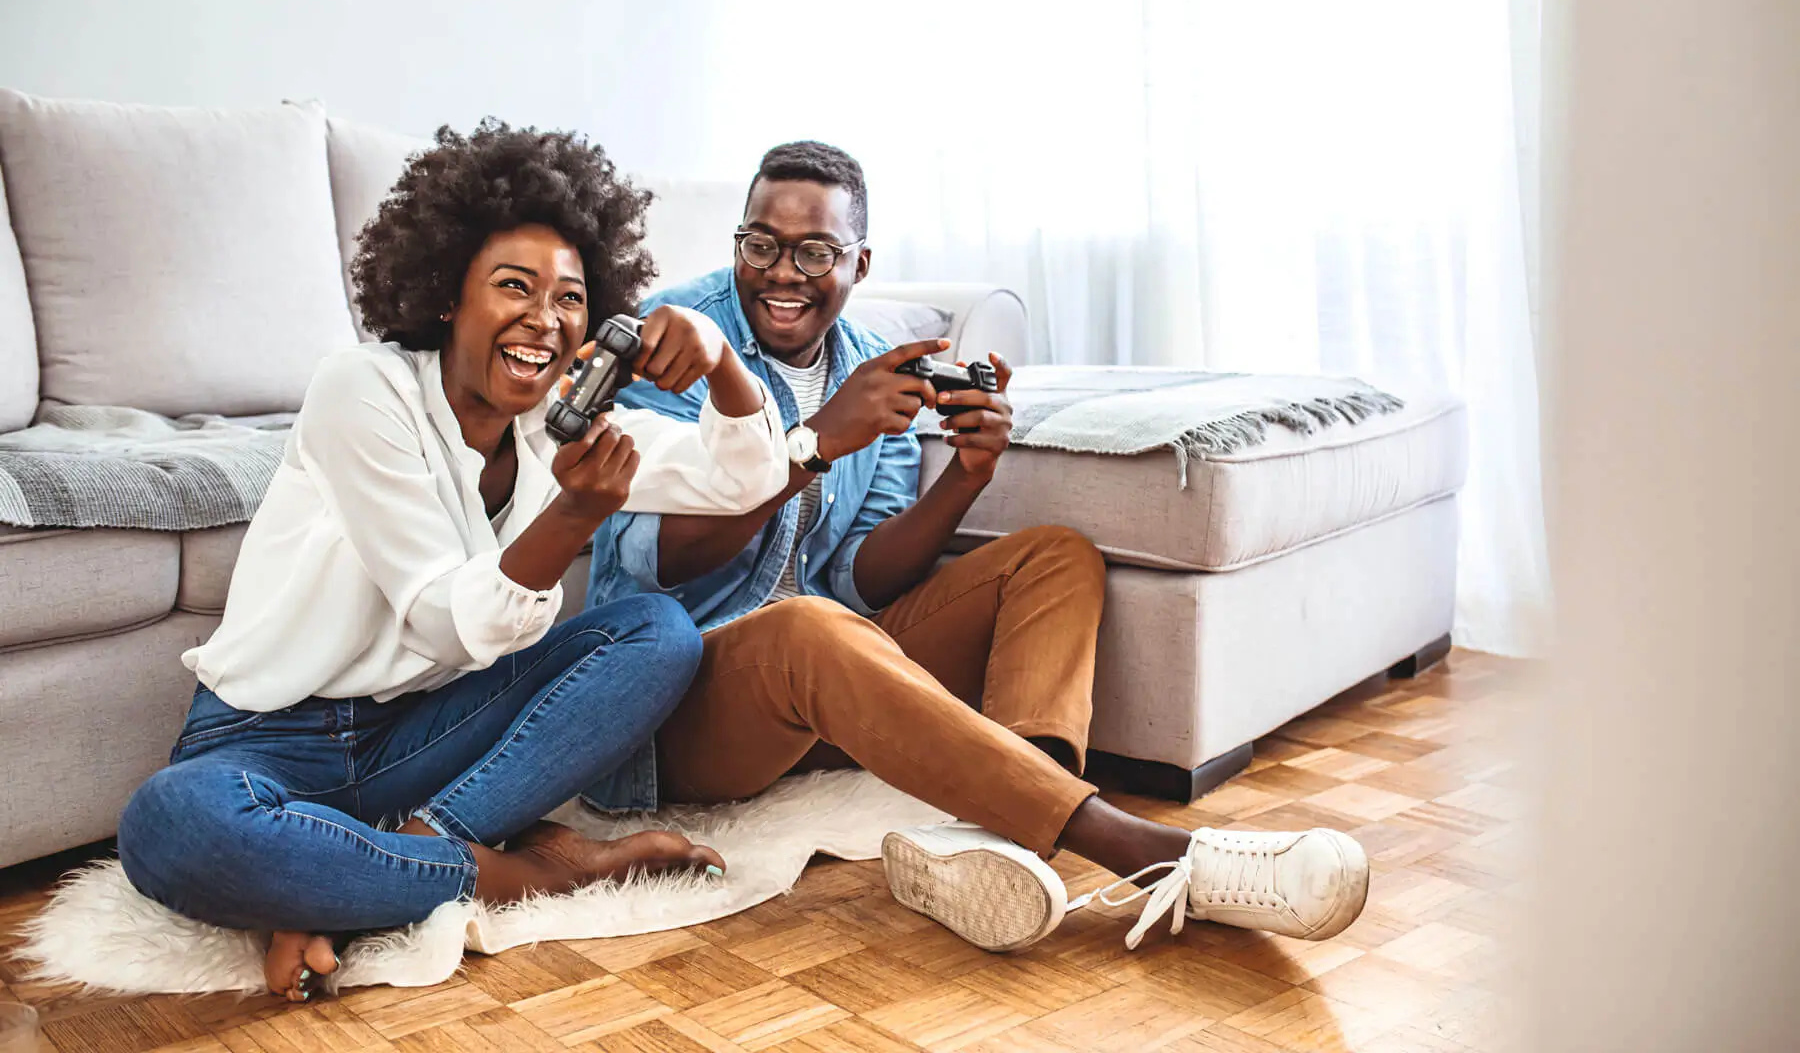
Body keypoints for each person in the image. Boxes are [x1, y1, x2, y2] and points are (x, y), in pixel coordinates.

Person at [586, 141, 1371, 953]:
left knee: (1055, 555)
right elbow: (656, 558)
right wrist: (815, 444)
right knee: (805, 629)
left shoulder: (868, 366)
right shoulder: (680, 341)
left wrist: (967, 476)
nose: (781, 272)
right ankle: (1145, 853)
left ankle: (997, 836)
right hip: (681, 704)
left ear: (859, 262)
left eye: (815, 251)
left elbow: (862, 579)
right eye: (760, 244)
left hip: (827, 678)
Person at [116, 120, 791, 1001]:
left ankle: (384, 866)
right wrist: (576, 515)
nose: (545, 321)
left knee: (659, 634)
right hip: (264, 738)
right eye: (514, 286)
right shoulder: (362, 389)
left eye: (571, 299)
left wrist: (723, 361)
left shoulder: (562, 422)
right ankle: (529, 877)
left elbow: (747, 478)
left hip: (420, 736)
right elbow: (442, 613)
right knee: (171, 828)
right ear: (447, 295)